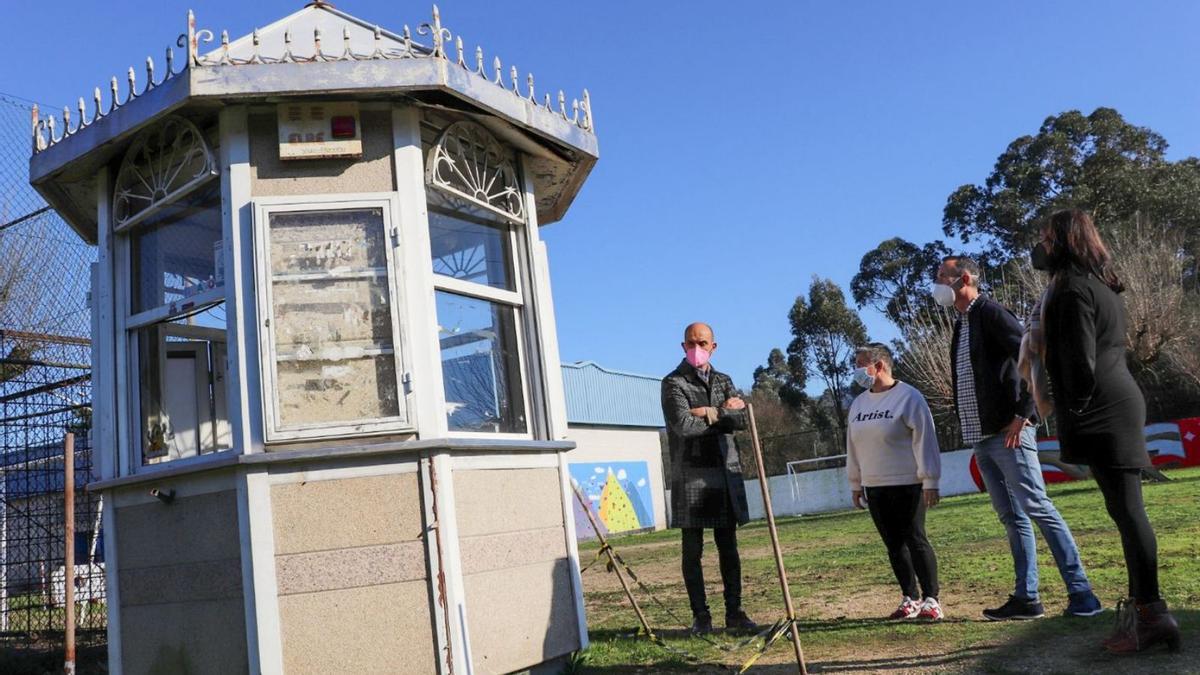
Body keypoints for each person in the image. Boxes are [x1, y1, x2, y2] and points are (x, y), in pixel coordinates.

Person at [1037, 209, 1180, 654]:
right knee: (1126, 513)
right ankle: (1147, 611)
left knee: (1129, 513)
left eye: (1045, 237)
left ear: (1064, 240)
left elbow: (1080, 363)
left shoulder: (1072, 290)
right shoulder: (1100, 285)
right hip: (1114, 401)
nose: (1040, 245)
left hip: (1102, 408)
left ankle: (1152, 615)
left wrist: (1071, 409)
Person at [934, 255, 1101, 620]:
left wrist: (1023, 414)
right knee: (1013, 517)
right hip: (983, 437)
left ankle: (1083, 593)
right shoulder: (962, 324)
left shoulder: (992, 314)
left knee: (1038, 507)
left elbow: (1032, 359)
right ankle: (1028, 598)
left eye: (940, 277)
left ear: (962, 278)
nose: (936, 285)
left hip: (1009, 433)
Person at [661, 322, 757, 635]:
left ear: (713, 346)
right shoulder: (673, 383)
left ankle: (735, 611)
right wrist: (720, 414)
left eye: (702, 343)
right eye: (691, 343)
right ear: (683, 346)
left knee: (728, 547)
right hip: (691, 476)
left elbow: (741, 418)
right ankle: (701, 617)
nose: (696, 348)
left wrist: (706, 411)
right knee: (693, 551)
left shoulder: (724, 380)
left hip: (724, 474)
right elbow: (683, 426)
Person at [846, 343, 944, 621]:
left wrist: (930, 480)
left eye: (860, 363)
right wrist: (856, 483)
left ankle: (932, 599)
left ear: (879, 366)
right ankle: (909, 597)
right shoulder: (858, 404)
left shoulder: (909, 397)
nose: (856, 370)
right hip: (875, 485)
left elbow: (925, 440)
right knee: (893, 544)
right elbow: (852, 445)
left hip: (908, 482)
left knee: (916, 539)